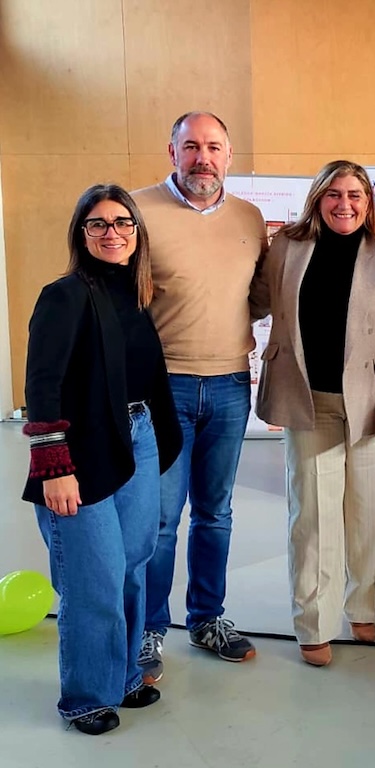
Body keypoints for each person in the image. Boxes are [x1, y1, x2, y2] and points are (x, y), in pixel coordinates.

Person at [21, 185, 182, 735]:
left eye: (122, 222)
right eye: (98, 224)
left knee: (133, 563)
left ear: (137, 232)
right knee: (94, 578)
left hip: (137, 437)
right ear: (81, 234)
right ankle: (86, 696)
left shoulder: (136, 295)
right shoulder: (64, 295)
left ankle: (124, 674)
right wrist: (53, 465)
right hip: (80, 451)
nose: (112, 233)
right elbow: (42, 383)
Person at [250, 161, 375, 666]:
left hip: (371, 406)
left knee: (370, 513)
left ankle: (364, 605)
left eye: (355, 195)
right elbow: (254, 302)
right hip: (308, 402)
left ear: (368, 204)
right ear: (318, 199)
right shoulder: (286, 247)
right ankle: (314, 623)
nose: (344, 204)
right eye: (334, 194)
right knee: (313, 519)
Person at [133, 112, 268, 682]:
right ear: (172, 152)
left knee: (215, 513)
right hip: (162, 387)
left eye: (214, 147)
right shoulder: (138, 210)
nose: (203, 158)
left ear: (229, 156)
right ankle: (148, 630)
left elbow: (258, 296)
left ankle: (207, 619)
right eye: (191, 146)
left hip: (231, 383)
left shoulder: (249, 217)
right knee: (161, 519)